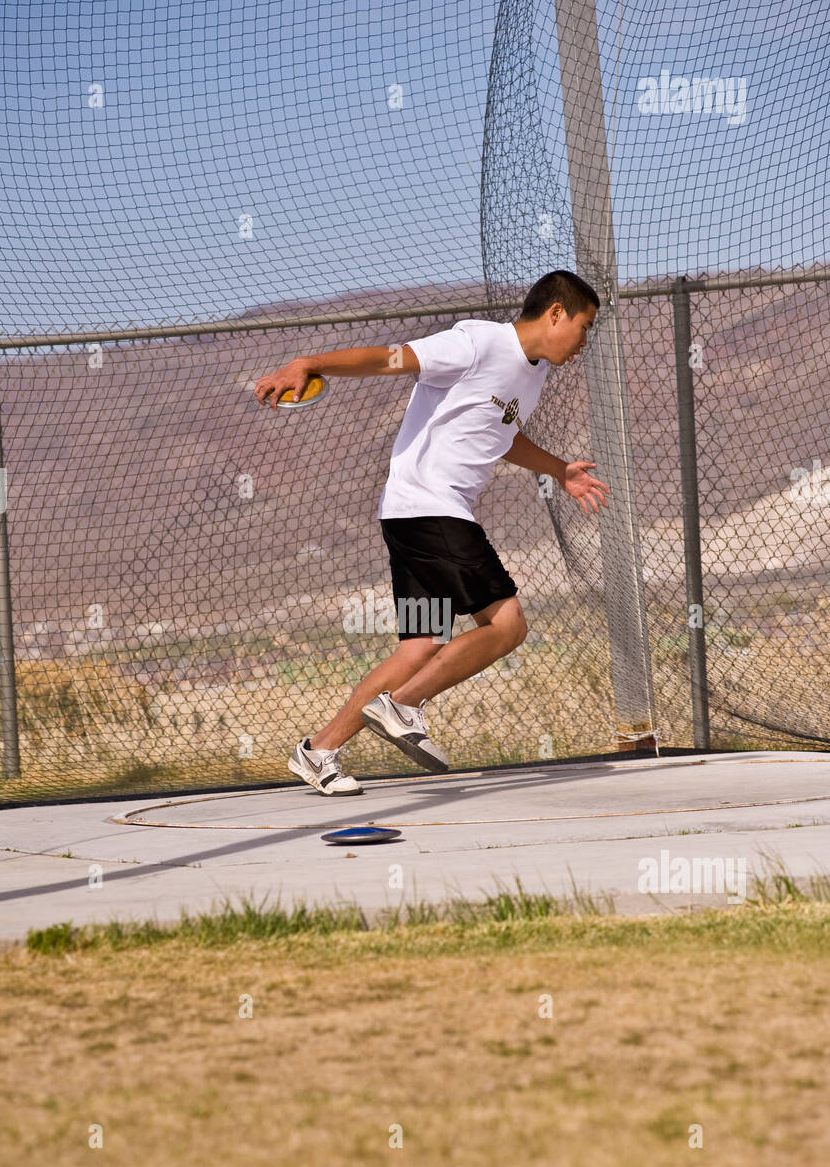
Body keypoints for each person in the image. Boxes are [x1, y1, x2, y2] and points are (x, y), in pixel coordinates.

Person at [253, 269, 611, 796]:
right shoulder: (474, 342)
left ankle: (318, 750)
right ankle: (403, 706)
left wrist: (560, 470)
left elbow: (501, 438)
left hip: (413, 516)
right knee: (507, 625)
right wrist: (311, 363)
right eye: (583, 327)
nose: (584, 342)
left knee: (420, 646)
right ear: (556, 313)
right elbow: (389, 358)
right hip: (431, 509)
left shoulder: (532, 375)